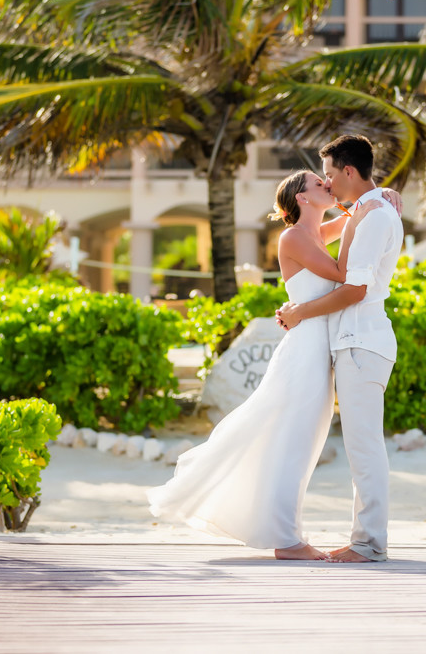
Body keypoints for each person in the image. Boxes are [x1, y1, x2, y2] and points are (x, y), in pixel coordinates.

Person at [147, 168, 397, 560]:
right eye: (319, 184)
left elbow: (351, 221)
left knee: (303, 442)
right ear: (302, 198)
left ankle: (286, 533)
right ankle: (287, 539)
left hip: (320, 349)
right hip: (305, 352)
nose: (327, 185)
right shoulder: (295, 237)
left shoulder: (316, 232)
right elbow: (342, 273)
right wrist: (364, 211)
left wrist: (381, 195)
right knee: (293, 442)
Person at [276, 135, 405, 563]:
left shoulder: (373, 217)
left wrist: (300, 312)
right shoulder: (368, 212)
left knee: (365, 447)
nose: (328, 184)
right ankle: (364, 541)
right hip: (354, 343)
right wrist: (376, 198)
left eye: (330, 174)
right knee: (360, 446)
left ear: (349, 171)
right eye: (321, 179)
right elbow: (338, 246)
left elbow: (354, 288)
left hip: (361, 342)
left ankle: (368, 544)